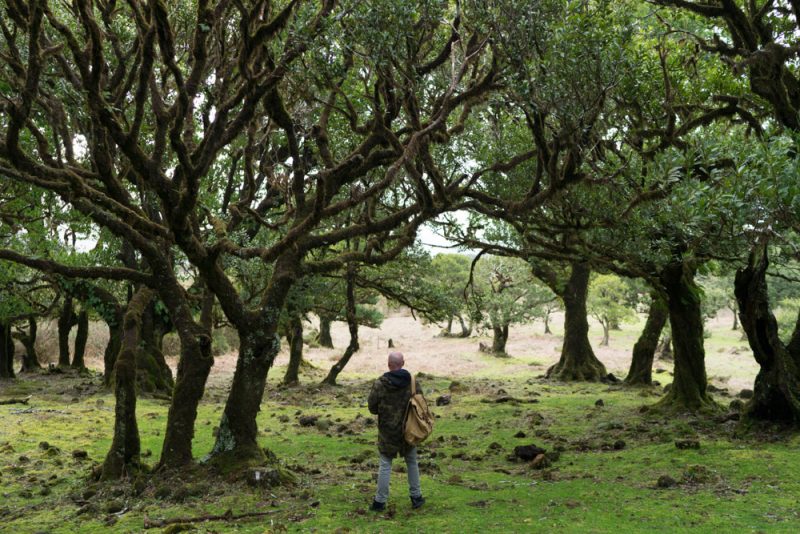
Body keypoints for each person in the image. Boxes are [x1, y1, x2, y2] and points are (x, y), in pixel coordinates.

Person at [367, 351, 425, 511]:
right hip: (410, 430)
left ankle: (379, 502)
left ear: (388, 364)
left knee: (385, 465)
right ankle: (416, 497)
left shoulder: (380, 383)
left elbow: (372, 408)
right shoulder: (412, 382)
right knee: (412, 462)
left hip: (387, 431)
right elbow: (421, 404)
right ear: (403, 363)